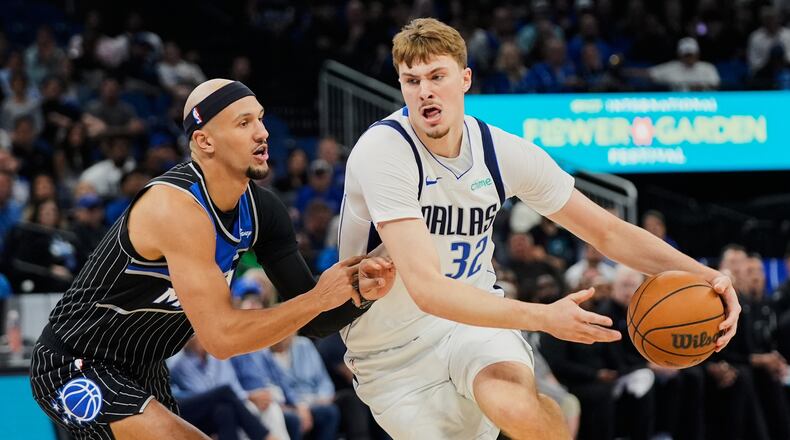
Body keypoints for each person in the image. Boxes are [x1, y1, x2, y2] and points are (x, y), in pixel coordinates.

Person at [338, 18, 740, 439]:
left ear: (465, 79)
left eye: (437, 76)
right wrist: (545, 318)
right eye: (411, 80)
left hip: (473, 321)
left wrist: (707, 275)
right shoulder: (383, 151)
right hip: (390, 347)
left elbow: (607, 232)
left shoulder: (501, 152)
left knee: (516, 405)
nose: (425, 91)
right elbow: (428, 290)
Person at [29, 78, 396, 440]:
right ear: (204, 141)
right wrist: (318, 297)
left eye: (261, 118)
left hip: (145, 368)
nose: (262, 133)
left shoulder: (263, 210)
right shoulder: (176, 209)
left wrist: (362, 288)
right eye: (243, 123)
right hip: (74, 362)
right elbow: (220, 338)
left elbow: (317, 321)